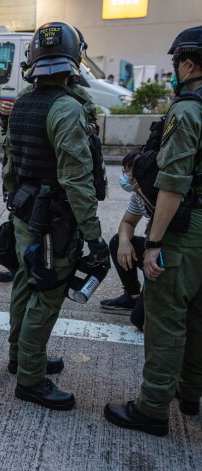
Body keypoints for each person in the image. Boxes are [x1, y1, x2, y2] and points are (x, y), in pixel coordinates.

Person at [2, 22, 108, 411]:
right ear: (74, 60)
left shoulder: (23, 103)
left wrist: (17, 205)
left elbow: (9, 167)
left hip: (27, 213)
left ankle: (20, 358)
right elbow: (78, 182)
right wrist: (95, 238)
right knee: (46, 297)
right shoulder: (66, 109)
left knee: (25, 286)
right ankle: (31, 379)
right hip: (55, 222)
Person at [105, 26, 202, 437]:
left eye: (177, 61)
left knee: (165, 325)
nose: (176, 68)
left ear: (190, 62)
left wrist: (155, 243)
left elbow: (174, 182)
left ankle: (152, 409)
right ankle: (190, 394)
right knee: (198, 320)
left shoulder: (188, 110)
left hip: (186, 231)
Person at [99, 149, 147, 331]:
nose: (125, 176)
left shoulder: (163, 193)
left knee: (140, 321)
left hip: (168, 256)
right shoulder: (139, 193)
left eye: (128, 170)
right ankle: (133, 295)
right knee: (117, 241)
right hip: (155, 248)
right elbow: (127, 222)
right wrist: (125, 242)